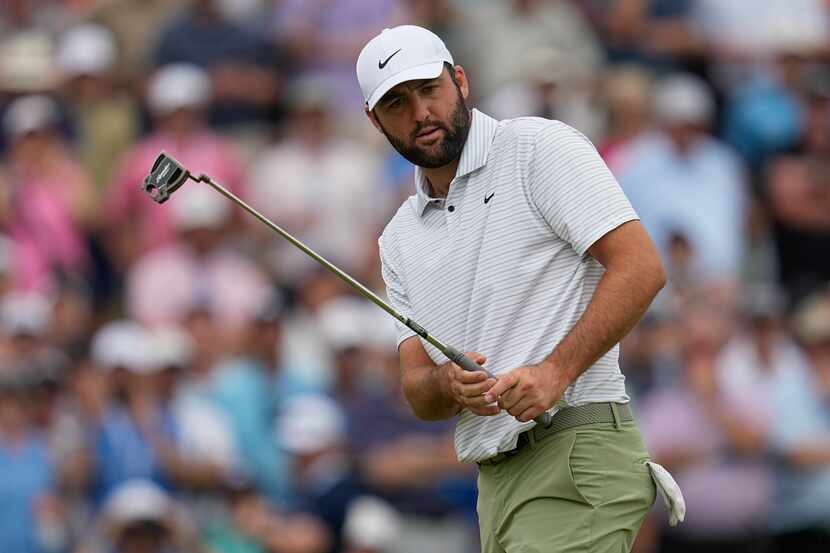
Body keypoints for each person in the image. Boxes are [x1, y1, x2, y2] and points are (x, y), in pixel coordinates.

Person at [356, 25, 671, 553]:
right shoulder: (398, 238)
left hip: (575, 447)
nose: (420, 114)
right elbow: (417, 388)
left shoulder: (537, 148)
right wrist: (446, 385)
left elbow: (641, 267)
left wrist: (556, 370)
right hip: (494, 480)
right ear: (374, 120)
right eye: (396, 103)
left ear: (460, 80)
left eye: (429, 90)